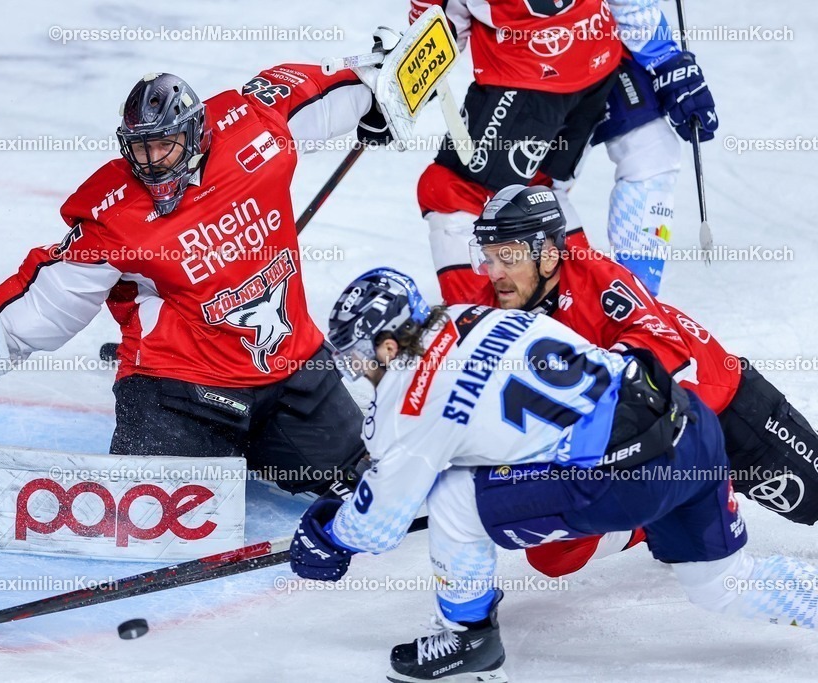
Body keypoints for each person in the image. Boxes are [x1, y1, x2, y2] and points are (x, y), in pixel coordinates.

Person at [0, 63, 395, 496]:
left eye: (163, 146)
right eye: (140, 148)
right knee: (146, 512)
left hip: (291, 369)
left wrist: (379, 88)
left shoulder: (253, 128)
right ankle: (212, 455)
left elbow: (319, 93)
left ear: (195, 132)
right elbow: (55, 300)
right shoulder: (116, 211)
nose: (149, 162)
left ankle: (262, 447)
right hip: (182, 388)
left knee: (359, 485)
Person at [288, 264, 818, 682]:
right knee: (724, 584)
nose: (357, 369)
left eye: (357, 355)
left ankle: (467, 638)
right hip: (689, 427)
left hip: (627, 478)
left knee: (453, 501)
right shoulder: (474, 314)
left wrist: (329, 536)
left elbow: (380, 522)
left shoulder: (407, 404)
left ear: (386, 345)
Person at [465, 184, 818, 577]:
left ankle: (703, 487)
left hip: (725, 409)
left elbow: (662, 345)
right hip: (650, 442)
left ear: (548, 254)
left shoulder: (597, 280)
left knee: (814, 497)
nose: (494, 273)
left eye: (508, 257)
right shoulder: (493, 305)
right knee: (551, 553)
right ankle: (660, 511)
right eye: (488, 258)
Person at [407, 0, 718, 299]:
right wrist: (409, 78)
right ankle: (485, 325)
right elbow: (437, 28)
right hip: (527, 78)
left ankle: (632, 304)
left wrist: (666, 59)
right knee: (465, 192)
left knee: (652, 150)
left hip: (599, 58)